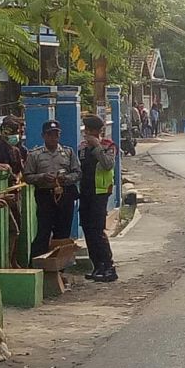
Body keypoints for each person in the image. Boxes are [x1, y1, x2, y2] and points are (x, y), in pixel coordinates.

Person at [23, 120, 81, 261]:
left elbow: (77, 173)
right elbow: (27, 176)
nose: (53, 138)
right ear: (43, 136)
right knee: (43, 232)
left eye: (56, 134)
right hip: (45, 195)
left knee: (63, 233)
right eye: (50, 135)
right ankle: (37, 265)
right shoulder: (35, 155)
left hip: (64, 194)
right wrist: (42, 177)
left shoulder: (68, 152)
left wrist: (65, 179)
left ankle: (60, 268)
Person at [79, 115, 119, 282]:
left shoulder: (108, 146)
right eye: (85, 130)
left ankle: (108, 266)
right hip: (86, 193)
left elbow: (108, 164)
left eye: (89, 130)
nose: (86, 133)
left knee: (97, 230)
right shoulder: (82, 147)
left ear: (97, 131)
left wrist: (96, 147)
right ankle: (97, 265)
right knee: (88, 230)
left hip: (100, 193)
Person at [0, 118, 26, 268]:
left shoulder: (16, 150)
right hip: (0, 193)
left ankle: (12, 259)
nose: (16, 136)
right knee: (10, 229)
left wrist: (17, 178)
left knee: (17, 226)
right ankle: (6, 262)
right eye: (14, 132)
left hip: (14, 193)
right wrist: (4, 167)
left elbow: (21, 170)